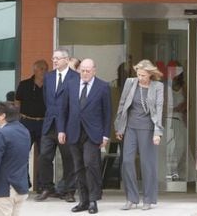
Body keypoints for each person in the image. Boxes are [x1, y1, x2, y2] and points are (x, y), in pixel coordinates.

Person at [58, 59, 111, 214]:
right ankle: (83, 201)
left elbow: (107, 113)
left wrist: (106, 135)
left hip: (93, 133)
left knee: (90, 165)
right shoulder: (70, 84)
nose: (85, 73)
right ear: (79, 70)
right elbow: (63, 110)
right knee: (79, 167)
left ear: (94, 70)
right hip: (73, 132)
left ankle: (93, 200)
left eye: (88, 70)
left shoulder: (103, 86)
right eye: (82, 70)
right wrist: (61, 130)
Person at [115, 59, 164, 211]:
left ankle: (148, 199)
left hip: (148, 129)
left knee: (147, 164)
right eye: (138, 74)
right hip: (130, 128)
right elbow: (122, 105)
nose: (140, 77)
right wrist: (119, 128)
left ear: (150, 74)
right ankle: (131, 198)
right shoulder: (130, 82)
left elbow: (159, 109)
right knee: (127, 161)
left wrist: (158, 132)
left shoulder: (158, 86)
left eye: (143, 75)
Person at [35, 49, 77, 202]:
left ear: (66, 60)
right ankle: (47, 187)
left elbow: (74, 104)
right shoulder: (49, 77)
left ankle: (69, 190)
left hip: (66, 126)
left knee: (69, 159)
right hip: (49, 124)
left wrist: (65, 126)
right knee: (44, 157)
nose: (54, 61)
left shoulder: (75, 77)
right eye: (53, 58)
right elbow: (47, 99)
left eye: (58, 58)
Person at [0, 101, 30, 216]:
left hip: (4, 190)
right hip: (20, 188)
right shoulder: (25, 131)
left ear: (3, 116)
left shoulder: (1, 134)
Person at [15, 59, 48, 192]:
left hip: (44, 122)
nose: (44, 71)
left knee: (45, 155)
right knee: (22, 153)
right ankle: (24, 183)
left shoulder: (50, 85)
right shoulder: (24, 84)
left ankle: (42, 185)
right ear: (34, 70)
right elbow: (17, 101)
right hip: (26, 122)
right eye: (41, 69)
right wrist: (16, 120)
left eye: (46, 69)